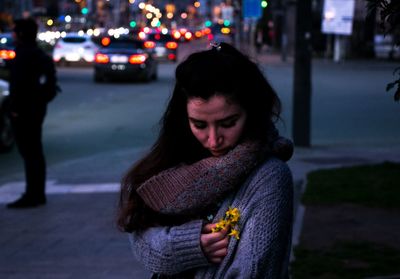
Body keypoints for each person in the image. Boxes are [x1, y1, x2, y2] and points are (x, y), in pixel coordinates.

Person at [117, 42, 294, 278]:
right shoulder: (177, 158)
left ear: (251, 113)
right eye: (199, 125)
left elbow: (255, 271)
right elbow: (140, 237)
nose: (213, 140)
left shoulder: (270, 177)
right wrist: (189, 245)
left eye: (228, 123)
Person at [6, 18, 57, 209]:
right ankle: (37, 192)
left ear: (20, 34)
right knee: (35, 151)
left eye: (14, 31)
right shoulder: (39, 55)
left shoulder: (24, 56)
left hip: (24, 112)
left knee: (29, 152)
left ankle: (32, 194)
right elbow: (48, 86)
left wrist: (16, 110)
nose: (12, 35)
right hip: (36, 110)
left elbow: (19, 87)